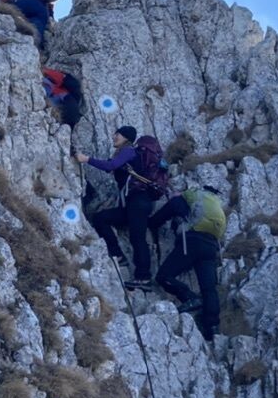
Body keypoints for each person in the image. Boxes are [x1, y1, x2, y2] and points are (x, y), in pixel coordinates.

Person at [77, 126, 164, 290]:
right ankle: (118, 255)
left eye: (118, 134)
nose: (114, 136)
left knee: (137, 238)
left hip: (139, 202)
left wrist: (86, 159)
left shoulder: (129, 151)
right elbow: (112, 165)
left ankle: (144, 277)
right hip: (135, 204)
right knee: (101, 218)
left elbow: (110, 166)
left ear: (126, 138)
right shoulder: (128, 154)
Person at [151, 184, 226, 341]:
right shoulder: (215, 206)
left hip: (192, 242)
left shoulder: (188, 198)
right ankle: (212, 328)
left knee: (163, 276)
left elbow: (167, 211)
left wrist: (151, 223)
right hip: (211, 247)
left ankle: (190, 297)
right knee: (209, 289)